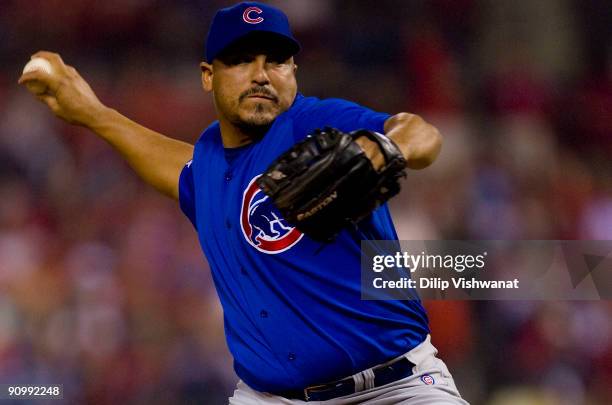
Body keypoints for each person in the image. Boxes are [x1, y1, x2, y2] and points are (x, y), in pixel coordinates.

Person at [19, 2, 468, 404]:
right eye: (240, 60)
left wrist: (385, 148)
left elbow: (421, 135)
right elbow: (169, 162)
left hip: (396, 389)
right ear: (207, 76)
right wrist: (93, 113)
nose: (260, 74)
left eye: (276, 61)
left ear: (293, 71)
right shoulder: (207, 168)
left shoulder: (314, 123)